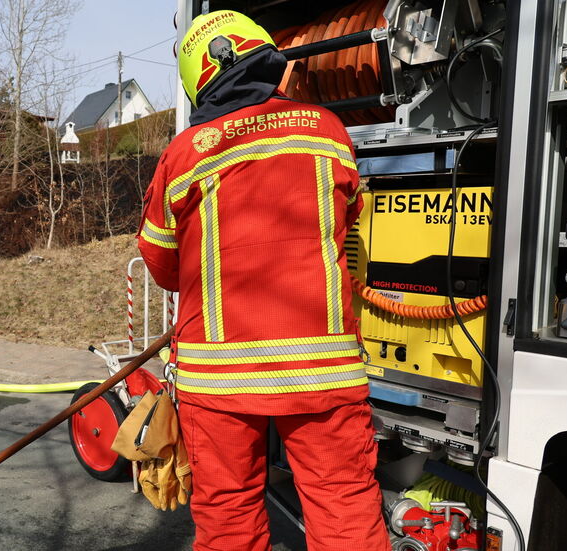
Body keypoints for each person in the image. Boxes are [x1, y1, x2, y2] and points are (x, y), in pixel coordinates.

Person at [137, 10, 390, 551]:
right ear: (267, 62)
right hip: (323, 371)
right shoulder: (328, 132)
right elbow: (348, 231)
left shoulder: (186, 154)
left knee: (228, 513)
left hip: (221, 375)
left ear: (197, 82)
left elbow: (160, 262)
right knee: (343, 502)